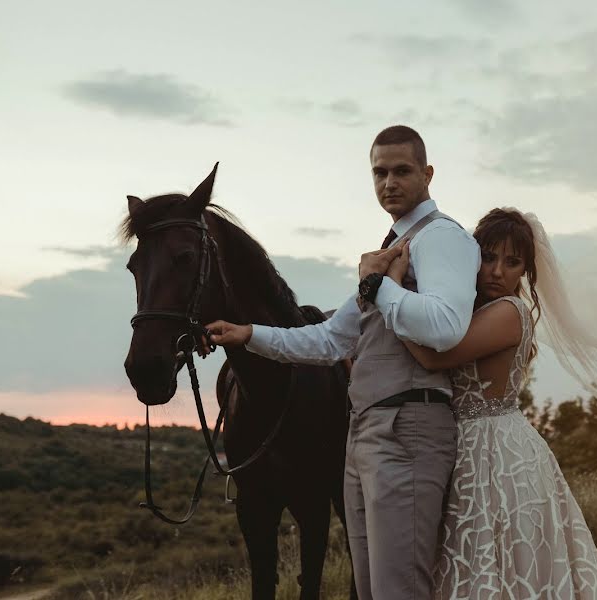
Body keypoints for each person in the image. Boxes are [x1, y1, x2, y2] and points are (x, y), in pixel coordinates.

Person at [204, 125, 481, 600]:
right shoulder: (390, 247)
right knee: (371, 588)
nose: (388, 182)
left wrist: (379, 287)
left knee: (400, 588)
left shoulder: (440, 238)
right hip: (367, 430)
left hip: (408, 424)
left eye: (401, 171)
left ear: (428, 173)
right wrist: (247, 334)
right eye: (379, 172)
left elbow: (445, 326)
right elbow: (331, 340)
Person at [383, 208, 597, 599]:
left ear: (525, 270)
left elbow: (433, 358)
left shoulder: (510, 312)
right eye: (488, 257)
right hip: (466, 446)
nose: (496, 271)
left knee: (503, 559)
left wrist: (387, 292)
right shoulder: (467, 311)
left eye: (512, 262)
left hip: (499, 453)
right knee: (474, 559)